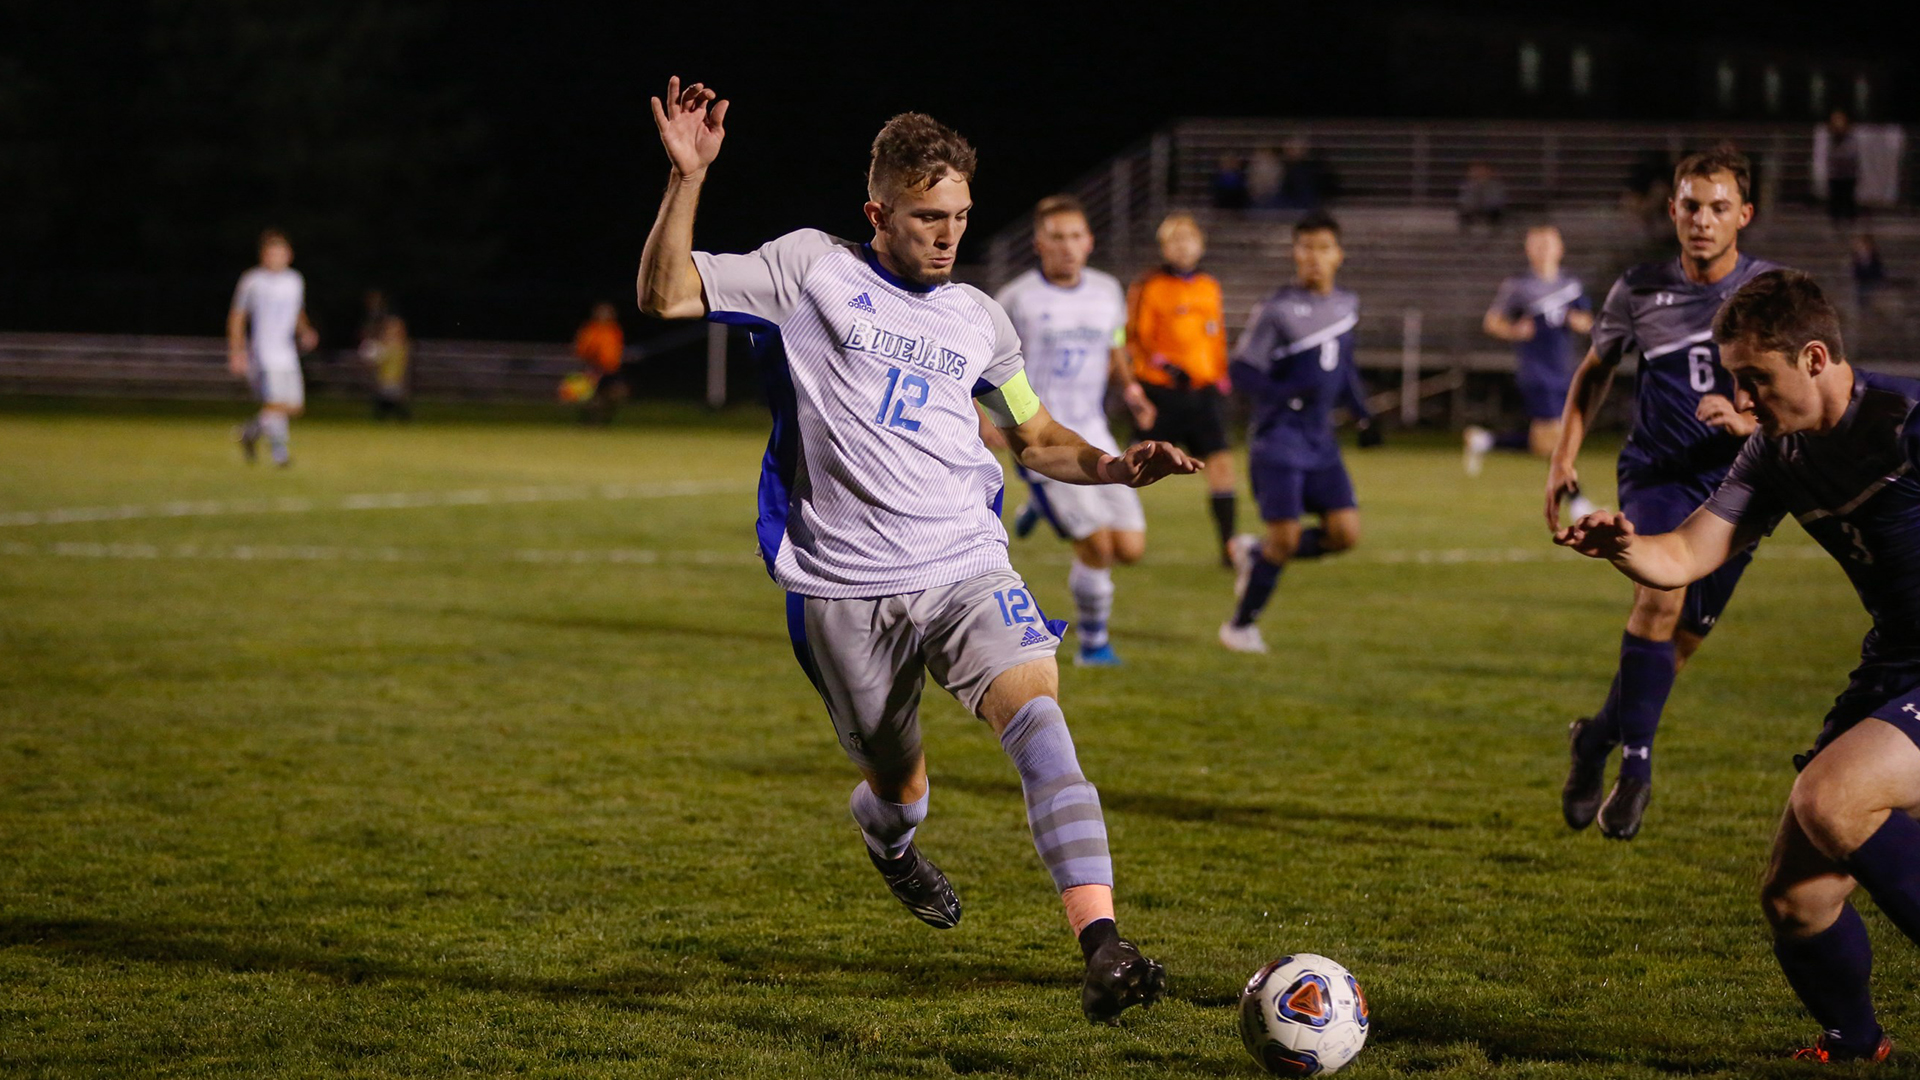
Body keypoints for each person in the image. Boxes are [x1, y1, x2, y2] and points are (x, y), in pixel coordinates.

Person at [635, 78, 1199, 1022]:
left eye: (961, 217)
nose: (947, 235)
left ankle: (1102, 945)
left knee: (1043, 726)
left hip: (967, 565)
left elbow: (1034, 437)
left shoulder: (980, 315)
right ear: (878, 212)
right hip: (844, 588)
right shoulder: (809, 270)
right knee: (900, 792)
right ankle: (891, 846)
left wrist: (1112, 463)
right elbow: (664, 294)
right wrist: (686, 179)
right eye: (927, 217)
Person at [1556, 270, 1917, 1064]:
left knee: (1831, 798)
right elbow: (1688, 551)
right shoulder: (1774, 454)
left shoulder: (1905, 419)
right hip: (1895, 663)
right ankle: (1856, 1045)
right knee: (1797, 900)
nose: (1742, 400)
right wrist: (1623, 547)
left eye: (1756, 378)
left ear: (1815, 357)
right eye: (1734, 379)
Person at [1545, 147, 1784, 840]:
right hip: (1657, 474)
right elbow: (1595, 373)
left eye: (1716, 207)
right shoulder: (1639, 289)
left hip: (1744, 485)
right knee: (1659, 595)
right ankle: (1637, 772)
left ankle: (1593, 743)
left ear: (1745, 214)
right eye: (1689, 205)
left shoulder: (1772, 293)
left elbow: (1802, 392)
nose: (1701, 220)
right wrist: (1563, 455)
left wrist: (1746, 422)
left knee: (1676, 645)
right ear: (1672, 210)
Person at [997, 195, 1157, 667]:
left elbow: (1115, 346)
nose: (1067, 246)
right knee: (1098, 547)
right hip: (1040, 437)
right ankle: (1093, 644)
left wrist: (1132, 392)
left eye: (1075, 237)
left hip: (1096, 432)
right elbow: (988, 363)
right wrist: (988, 417)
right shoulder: (1017, 298)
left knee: (1130, 548)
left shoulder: (1107, 290)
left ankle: (1039, 510)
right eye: (1057, 237)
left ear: (1089, 242)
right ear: (1039, 244)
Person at [1220, 211, 1381, 654]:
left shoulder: (1347, 304)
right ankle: (1239, 626)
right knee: (1287, 538)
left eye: (1323, 248)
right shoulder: (1277, 308)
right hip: (1280, 439)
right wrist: (1283, 394)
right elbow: (1241, 369)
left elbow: (1344, 367)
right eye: (1306, 248)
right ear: (1296, 253)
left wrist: (1363, 415)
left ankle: (1255, 555)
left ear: (1339, 255)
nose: (1314, 257)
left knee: (1346, 534)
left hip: (1322, 442)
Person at [1128, 213, 1237, 564]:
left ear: (1200, 245)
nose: (1183, 245)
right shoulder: (1149, 285)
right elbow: (1138, 338)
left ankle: (1228, 546)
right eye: (1175, 239)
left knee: (1220, 465)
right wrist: (1166, 366)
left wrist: (1221, 375)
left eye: (1189, 238)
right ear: (1164, 247)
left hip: (1202, 394)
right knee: (1130, 466)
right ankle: (1105, 525)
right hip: (1162, 392)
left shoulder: (1209, 286)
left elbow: (1215, 336)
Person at [1465, 225, 1596, 489]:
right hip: (1536, 370)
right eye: (1537, 245)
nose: (1543, 250)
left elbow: (1589, 322)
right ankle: (1578, 502)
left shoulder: (1571, 286)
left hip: (1565, 368)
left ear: (1560, 249)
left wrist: (1576, 321)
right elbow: (1492, 322)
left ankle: (1486, 442)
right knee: (1560, 442)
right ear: (1528, 250)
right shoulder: (1519, 287)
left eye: (1548, 244)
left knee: (1544, 444)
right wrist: (1514, 330)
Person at [227, 229, 317, 467]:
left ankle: (249, 432)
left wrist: (305, 330)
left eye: (281, 253)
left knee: (295, 407)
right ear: (263, 256)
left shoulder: (295, 280)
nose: (276, 257)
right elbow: (237, 317)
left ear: (289, 255)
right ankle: (280, 455)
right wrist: (237, 351)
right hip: (263, 352)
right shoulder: (253, 280)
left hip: (287, 352)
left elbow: (297, 312)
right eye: (272, 253)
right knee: (275, 402)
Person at [574, 302, 627, 425]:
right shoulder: (590, 330)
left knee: (617, 395)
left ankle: (605, 421)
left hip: (611, 370)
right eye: (602, 313)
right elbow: (582, 349)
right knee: (592, 398)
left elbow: (616, 349)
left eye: (608, 313)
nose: (605, 315)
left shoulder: (615, 329)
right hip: (594, 369)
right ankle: (589, 422)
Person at [361, 312, 411, 422]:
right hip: (384, 379)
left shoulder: (401, 347)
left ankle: (400, 419)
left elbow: (402, 364)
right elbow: (375, 363)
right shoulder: (382, 346)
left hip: (395, 380)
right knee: (387, 403)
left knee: (392, 403)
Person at [1824, 110, 1860, 227]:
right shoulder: (1832, 138)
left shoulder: (1850, 138)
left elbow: (1852, 155)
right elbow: (1831, 155)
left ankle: (1850, 219)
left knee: (1848, 197)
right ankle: (1836, 220)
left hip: (1848, 173)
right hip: (1836, 173)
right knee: (1835, 198)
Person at [1458, 162, 1507, 233]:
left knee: (1496, 215)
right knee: (1465, 215)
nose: (1479, 173)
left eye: (1482, 170)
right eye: (1476, 170)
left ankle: (1495, 234)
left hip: (1490, 210)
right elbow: (1465, 200)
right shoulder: (1467, 185)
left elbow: (1497, 201)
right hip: (1472, 209)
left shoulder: (1496, 185)